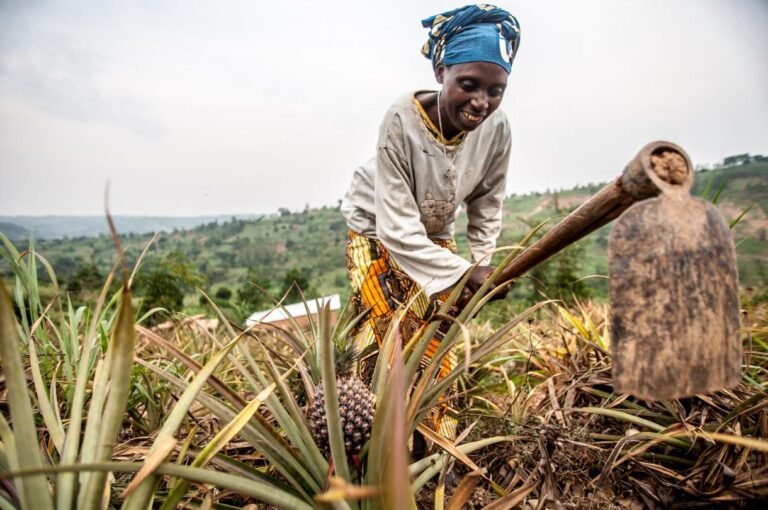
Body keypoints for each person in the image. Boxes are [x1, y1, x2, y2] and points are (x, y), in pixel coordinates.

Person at [340, 4, 521, 440]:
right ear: (441, 71)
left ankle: (434, 441)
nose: (481, 102)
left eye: (496, 90)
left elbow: (487, 203)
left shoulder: (497, 130)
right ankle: (365, 439)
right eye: (469, 84)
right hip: (374, 229)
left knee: (439, 335)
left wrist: (483, 266)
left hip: (436, 236)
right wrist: (465, 273)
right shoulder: (400, 120)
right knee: (387, 330)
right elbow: (397, 229)